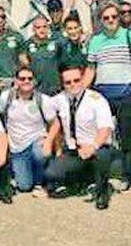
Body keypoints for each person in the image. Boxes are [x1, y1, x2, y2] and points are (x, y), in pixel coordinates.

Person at [83, 3, 131, 190]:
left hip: (124, 93)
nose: (110, 20)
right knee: (99, 137)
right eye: (106, 18)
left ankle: (129, 177)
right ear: (101, 20)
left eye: (113, 17)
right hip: (101, 95)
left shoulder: (130, 35)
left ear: (119, 18)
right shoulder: (95, 40)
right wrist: (80, 91)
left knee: (127, 137)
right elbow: (90, 69)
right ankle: (98, 176)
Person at [45, 66, 115, 210]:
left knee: (101, 157)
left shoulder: (96, 100)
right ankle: (83, 181)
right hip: (74, 150)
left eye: (76, 80)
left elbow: (105, 128)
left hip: (97, 147)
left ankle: (103, 191)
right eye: (68, 82)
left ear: (83, 79)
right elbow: (43, 107)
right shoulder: (59, 99)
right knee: (51, 173)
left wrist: (92, 146)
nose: (72, 85)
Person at [0, 67, 59, 195]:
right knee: (24, 186)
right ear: (16, 80)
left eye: (30, 79)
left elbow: (55, 124)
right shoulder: (6, 97)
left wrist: (48, 142)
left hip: (37, 142)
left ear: (35, 81)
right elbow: (2, 121)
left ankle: (39, 183)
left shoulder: (43, 100)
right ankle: (22, 175)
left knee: (40, 154)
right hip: (17, 147)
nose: (26, 81)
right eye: (22, 78)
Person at [25, 16, 63, 95]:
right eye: (38, 27)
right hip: (37, 90)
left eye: (44, 27)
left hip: (56, 90)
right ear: (33, 29)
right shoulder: (27, 45)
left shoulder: (56, 43)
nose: (42, 30)